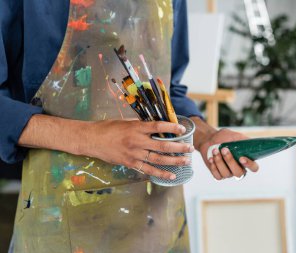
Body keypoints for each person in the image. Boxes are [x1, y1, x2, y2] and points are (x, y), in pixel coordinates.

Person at [1, 0, 259, 252]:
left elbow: (168, 92)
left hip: (161, 223)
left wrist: (208, 138)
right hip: (64, 221)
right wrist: (91, 138)